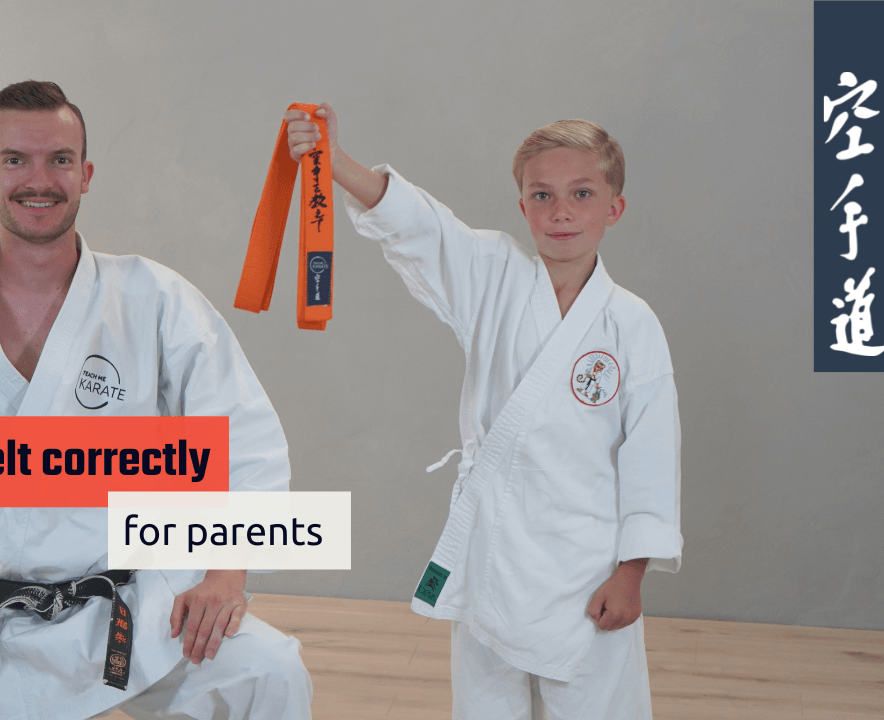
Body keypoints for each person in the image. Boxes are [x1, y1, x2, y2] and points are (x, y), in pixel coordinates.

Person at [0, 81, 312, 720]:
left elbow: (243, 434)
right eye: (16, 159)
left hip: (134, 604)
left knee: (268, 673)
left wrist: (226, 571)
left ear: (85, 174)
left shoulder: (151, 298)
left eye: (59, 160)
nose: (38, 180)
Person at [284, 103, 681, 719]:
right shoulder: (494, 276)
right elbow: (424, 229)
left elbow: (652, 458)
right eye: (542, 195)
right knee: (485, 704)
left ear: (614, 208)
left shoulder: (632, 324)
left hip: (586, 564)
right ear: (523, 207)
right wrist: (335, 163)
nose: (561, 211)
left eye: (581, 193)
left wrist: (631, 573)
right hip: (492, 552)